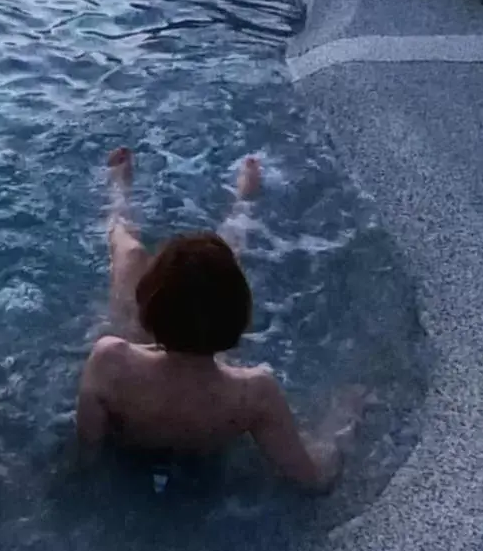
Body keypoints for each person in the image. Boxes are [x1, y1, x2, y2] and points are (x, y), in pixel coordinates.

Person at [74, 147, 361, 490]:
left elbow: (87, 453)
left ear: (147, 310)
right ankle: (243, 204)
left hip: (138, 380)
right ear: (241, 319)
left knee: (129, 252)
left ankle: (119, 197)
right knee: (216, 272)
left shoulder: (110, 360)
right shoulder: (253, 394)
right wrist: (347, 415)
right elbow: (313, 478)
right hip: (209, 387)